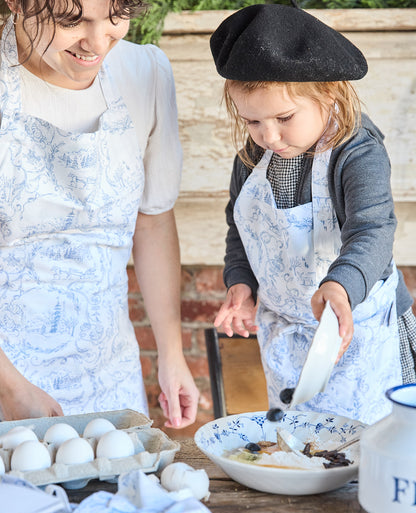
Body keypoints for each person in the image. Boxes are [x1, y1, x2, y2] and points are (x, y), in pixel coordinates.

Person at [210, 2, 416, 425]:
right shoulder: (252, 158)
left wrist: (340, 286)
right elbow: (241, 229)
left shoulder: (356, 151)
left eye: (284, 117)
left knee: (365, 448)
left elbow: (372, 230)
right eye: (252, 121)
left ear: (328, 93)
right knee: (300, 442)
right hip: (289, 336)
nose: (269, 136)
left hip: (359, 330)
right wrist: (241, 283)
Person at [0, 0, 200, 427]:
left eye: (116, 19)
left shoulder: (143, 73)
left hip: (110, 379)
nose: (97, 43)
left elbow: (153, 220)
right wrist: (9, 387)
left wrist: (171, 353)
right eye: (72, 21)